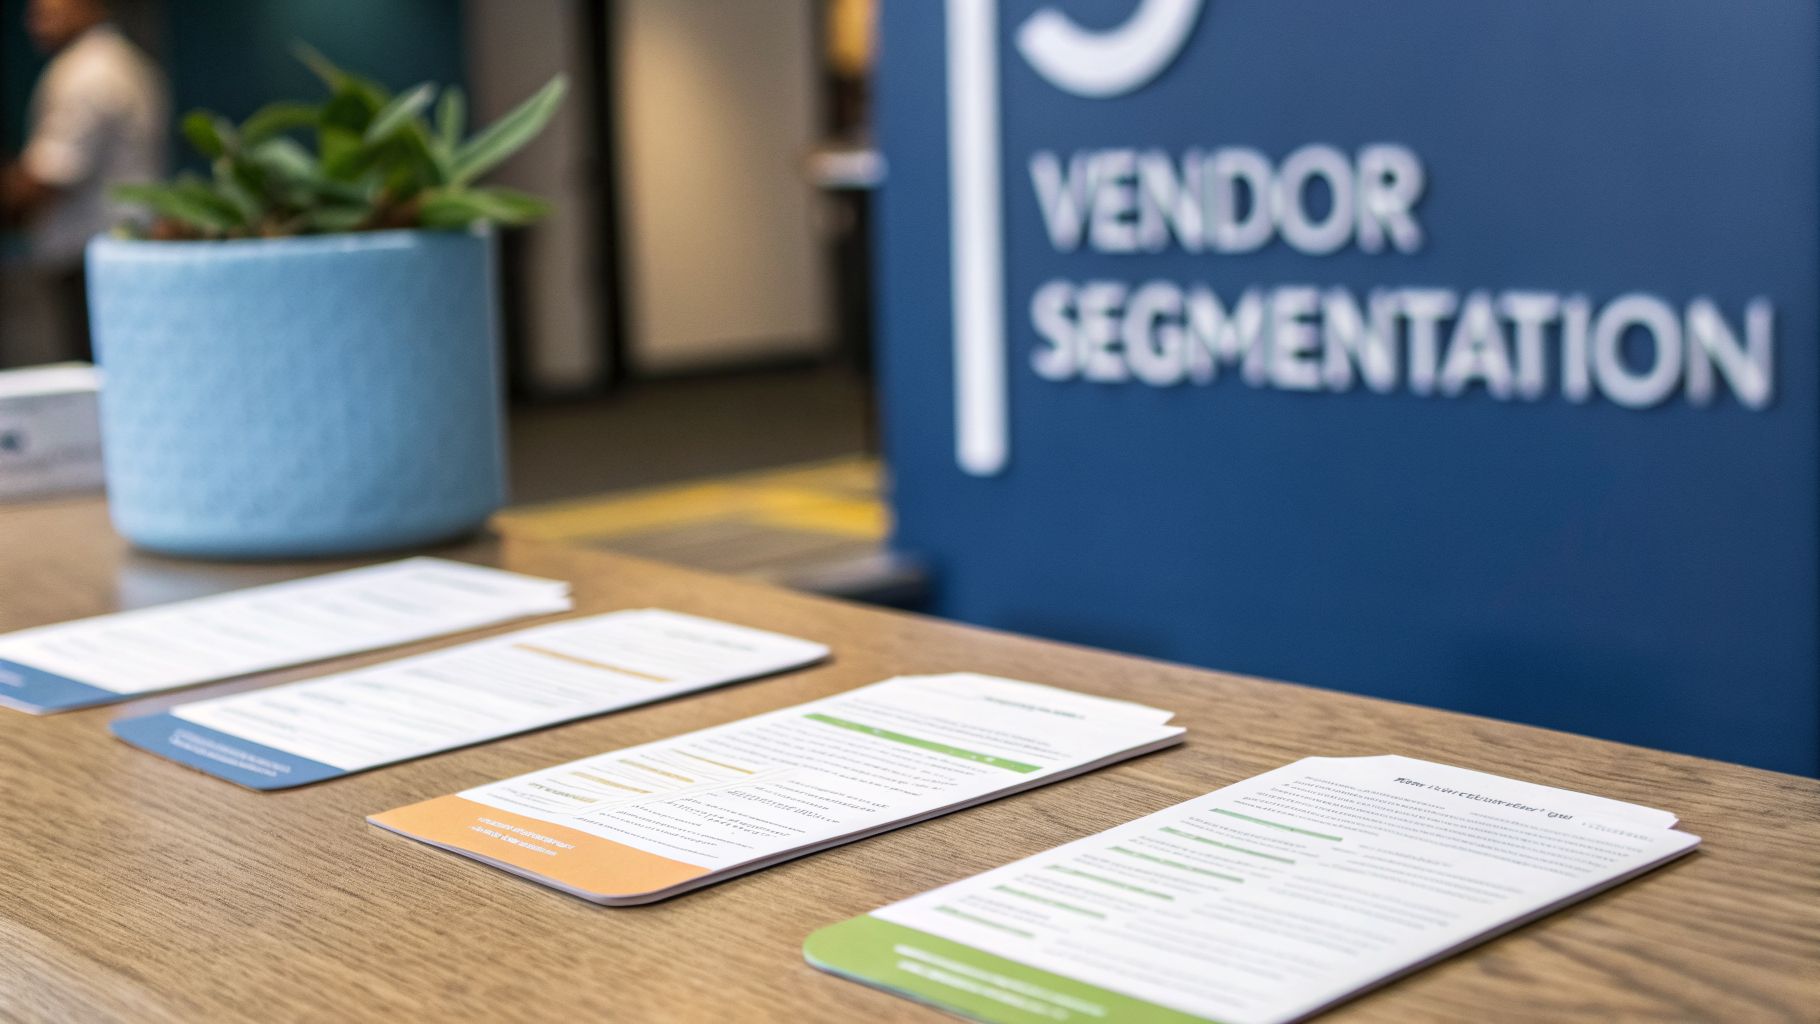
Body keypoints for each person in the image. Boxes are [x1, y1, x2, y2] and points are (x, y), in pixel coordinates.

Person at [1, 0, 166, 361]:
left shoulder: (86, 73)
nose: (34, 22)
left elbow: (51, 173)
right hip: (119, 246)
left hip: (90, 255)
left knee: (95, 374)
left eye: (48, 10)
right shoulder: (124, 60)